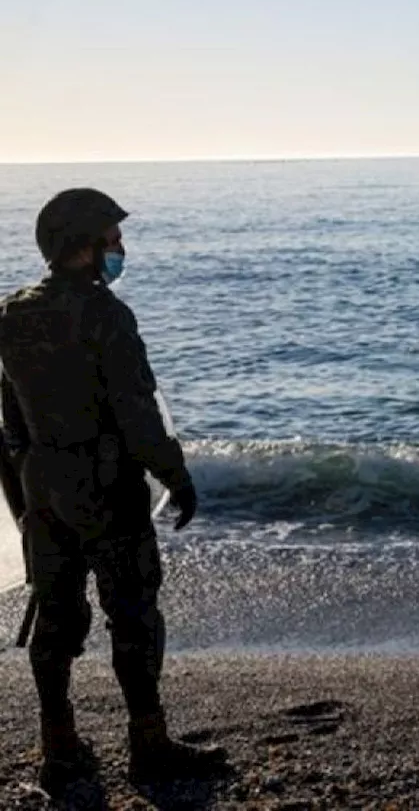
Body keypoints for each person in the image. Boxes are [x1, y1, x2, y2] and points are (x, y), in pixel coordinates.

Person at [0, 189, 225, 794]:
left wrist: (24, 499)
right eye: (111, 240)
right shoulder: (104, 315)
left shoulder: (12, 314)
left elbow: (10, 422)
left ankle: (59, 747)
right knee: (132, 616)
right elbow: (137, 412)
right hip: (105, 486)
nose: (120, 250)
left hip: (42, 489)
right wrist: (175, 476)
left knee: (55, 619)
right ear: (83, 247)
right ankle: (148, 745)